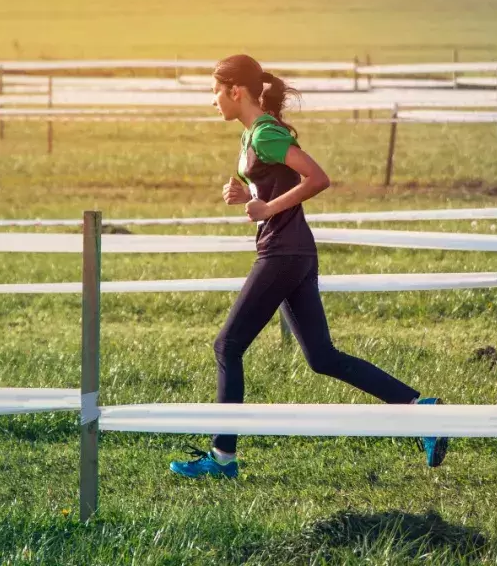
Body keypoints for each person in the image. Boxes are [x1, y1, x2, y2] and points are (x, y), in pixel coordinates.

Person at [169, 54, 448, 479]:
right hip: (292, 251)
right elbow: (269, 186)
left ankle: (222, 458)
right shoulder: (252, 137)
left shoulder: (265, 133)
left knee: (227, 346)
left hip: (283, 252)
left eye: (215, 92)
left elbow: (316, 178)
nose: (213, 102)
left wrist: (264, 208)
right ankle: (420, 411)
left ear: (235, 91)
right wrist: (244, 195)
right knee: (321, 357)